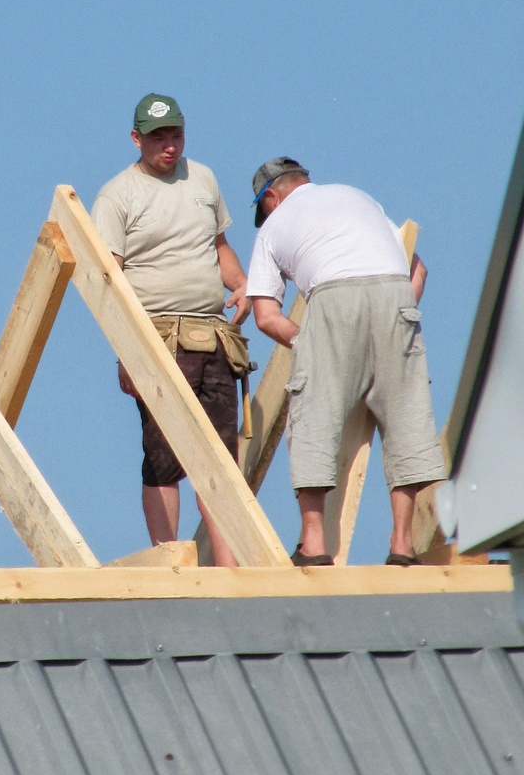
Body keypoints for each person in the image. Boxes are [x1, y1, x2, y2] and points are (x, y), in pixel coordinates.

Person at [245, 157, 447, 567]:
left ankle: (314, 545)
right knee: (404, 416)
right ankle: (403, 544)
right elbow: (419, 269)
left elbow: (265, 315)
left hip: (334, 298)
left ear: (271, 196)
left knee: (314, 418)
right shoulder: (357, 196)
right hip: (395, 294)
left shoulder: (272, 227)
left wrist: (310, 343)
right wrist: (395, 318)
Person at [91, 95, 252, 567]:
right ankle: (170, 560)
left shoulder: (201, 178)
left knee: (220, 460)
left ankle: (227, 565)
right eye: (158, 137)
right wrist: (126, 352)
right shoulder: (117, 195)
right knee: (163, 456)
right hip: (158, 338)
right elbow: (109, 281)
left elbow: (218, 244)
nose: (169, 146)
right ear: (136, 138)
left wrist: (241, 284)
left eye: (176, 135)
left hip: (213, 335)